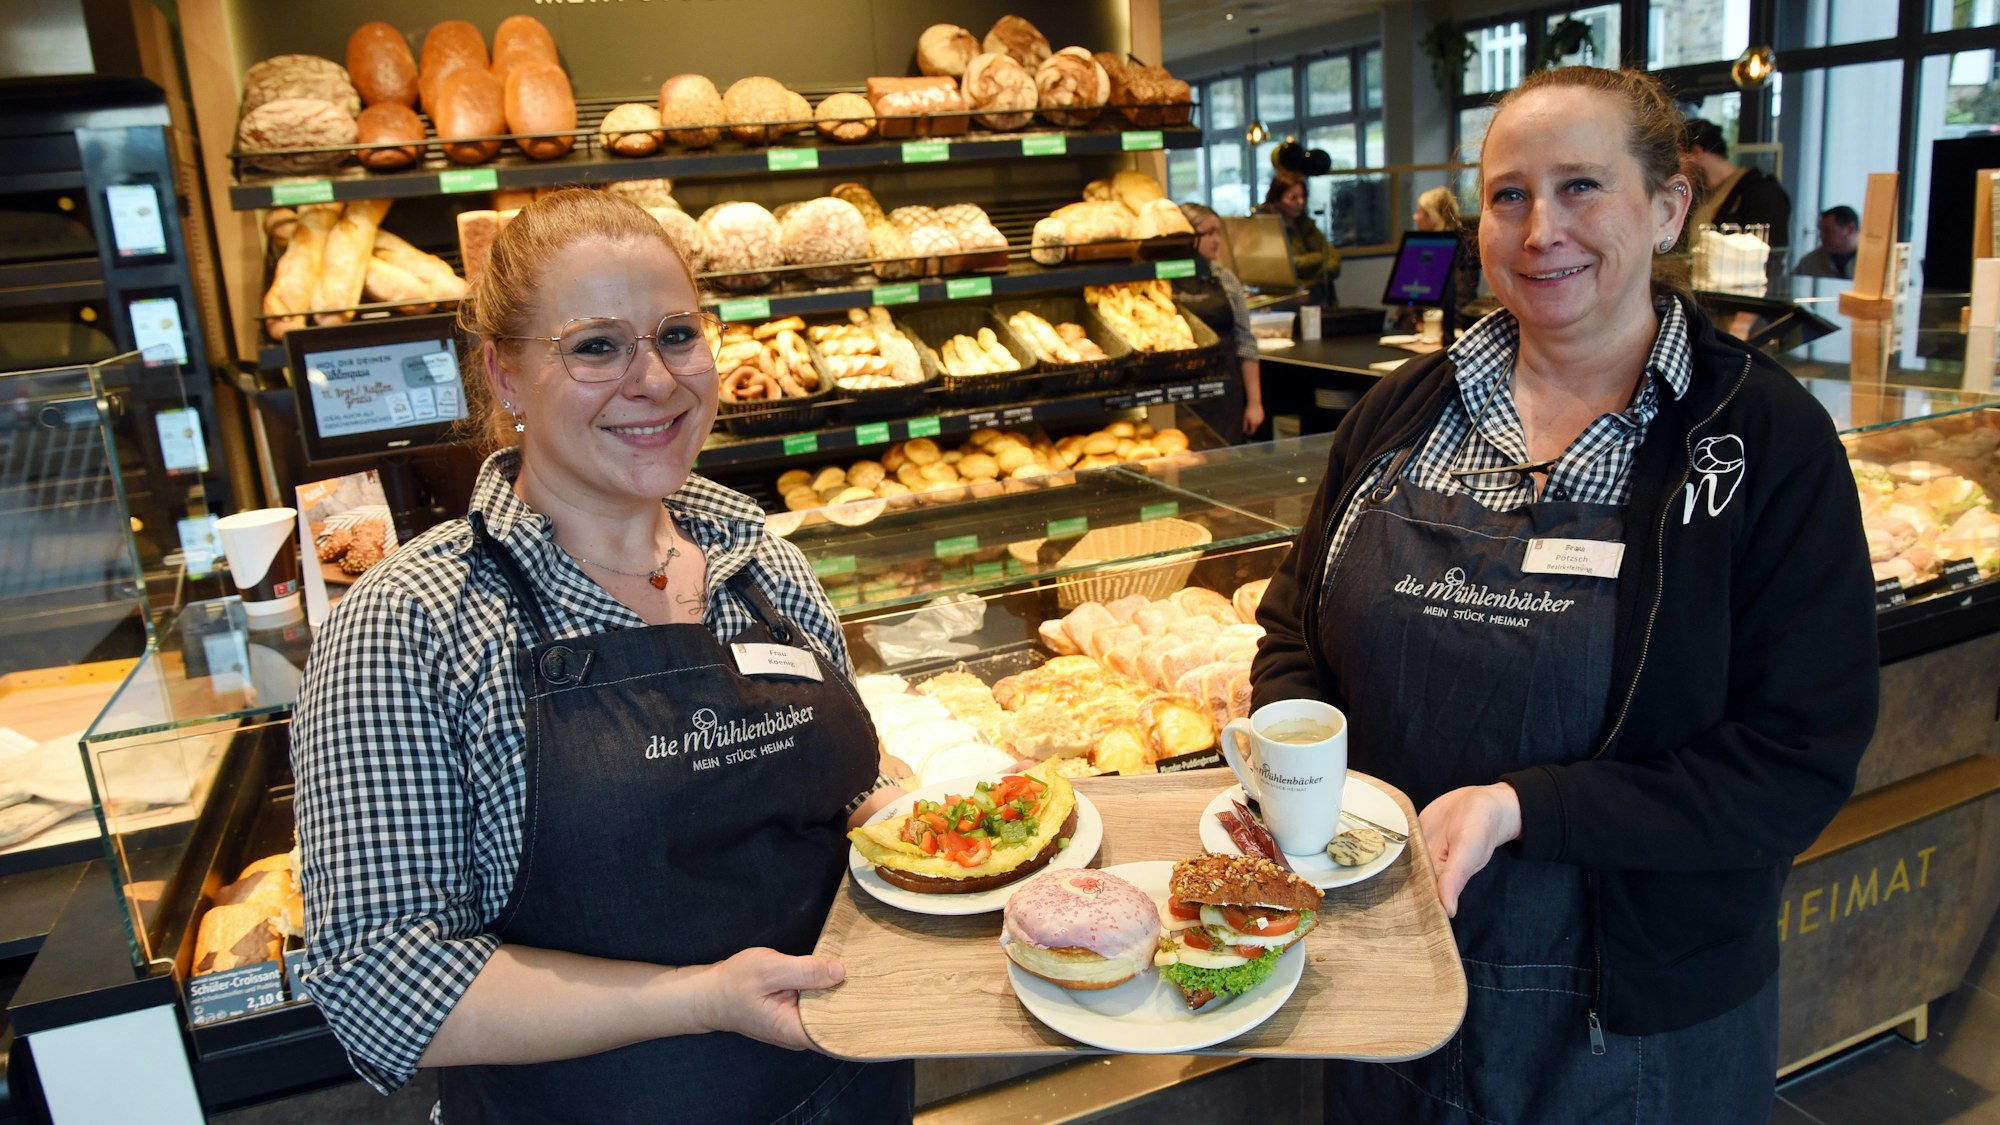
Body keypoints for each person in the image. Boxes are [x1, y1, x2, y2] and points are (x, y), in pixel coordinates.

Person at [1252, 67, 1876, 1123]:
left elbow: (1793, 760)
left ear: (1667, 206)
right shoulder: (1403, 412)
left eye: (1580, 186)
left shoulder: (1760, 441)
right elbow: (1290, 623)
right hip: (1375, 964)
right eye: (1508, 195)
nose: (1540, 229)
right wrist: (1295, 770)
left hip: (1628, 1020)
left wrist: (1521, 810)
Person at [291, 189, 912, 1125]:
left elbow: (845, 788)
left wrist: (930, 822)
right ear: (504, 377)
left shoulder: (761, 560)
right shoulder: (407, 624)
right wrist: (699, 998)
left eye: (675, 333)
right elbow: (384, 980)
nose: (655, 381)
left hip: (851, 1090)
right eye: (595, 346)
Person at [1175, 201, 1265, 443]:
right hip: (1179, 394)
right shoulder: (1162, 279)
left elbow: (1245, 341)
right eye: (1209, 233)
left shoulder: (1224, 278)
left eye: (1218, 232)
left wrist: (1255, 403)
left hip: (1225, 392)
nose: (1217, 240)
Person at [1685, 117, 1792, 244]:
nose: (1676, 172)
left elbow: (1770, 255)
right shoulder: (1700, 196)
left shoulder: (1762, 192)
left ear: (1696, 152)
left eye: (1678, 162)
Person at [1391, 186, 1482, 332]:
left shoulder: (1458, 248)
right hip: (1415, 325)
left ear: (1433, 217)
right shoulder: (1422, 245)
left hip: (1440, 329)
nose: (1415, 217)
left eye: (1420, 212)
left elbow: (1461, 295)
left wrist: (1452, 328)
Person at [1256, 169, 1338, 304]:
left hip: (1322, 300)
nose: (1300, 202)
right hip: (1290, 303)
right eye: (1293, 198)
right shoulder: (1269, 230)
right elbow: (1286, 266)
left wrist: (1308, 279)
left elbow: (1334, 262)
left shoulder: (1306, 224)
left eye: (1303, 196)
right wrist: (1318, 258)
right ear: (1277, 201)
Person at [1794, 204, 1860, 279]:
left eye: (1827, 231)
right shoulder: (1809, 262)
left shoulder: (1873, 264)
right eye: (1820, 231)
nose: (1821, 237)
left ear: (1850, 229)